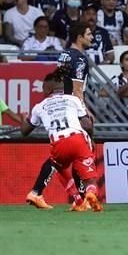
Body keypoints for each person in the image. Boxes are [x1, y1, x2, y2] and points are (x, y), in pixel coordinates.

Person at [24, 21, 93, 210]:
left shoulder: (64, 54)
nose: (92, 38)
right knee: (81, 152)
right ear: (79, 37)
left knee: (59, 157)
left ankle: (39, 192)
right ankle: (81, 198)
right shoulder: (79, 58)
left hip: (61, 105)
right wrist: (85, 110)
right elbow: (77, 90)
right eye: (88, 34)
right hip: (72, 107)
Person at [20, 71, 102, 212]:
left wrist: (23, 118)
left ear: (47, 89)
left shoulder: (39, 107)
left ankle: (76, 200)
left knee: (57, 165)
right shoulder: (73, 99)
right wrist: (92, 140)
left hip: (58, 143)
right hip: (78, 140)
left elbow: (24, 131)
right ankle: (90, 193)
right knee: (90, 178)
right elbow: (87, 125)